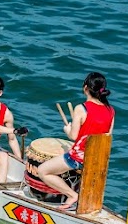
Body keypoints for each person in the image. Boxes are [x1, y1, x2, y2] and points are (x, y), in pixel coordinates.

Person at [34, 72, 115, 210]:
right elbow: (107, 136)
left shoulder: (81, 108)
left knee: (42, 171)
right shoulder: (111, 111)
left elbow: (73, 136)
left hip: (79, 158)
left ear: (85, 88)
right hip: (97, 158)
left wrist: (67, 129)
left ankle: (71, 195)